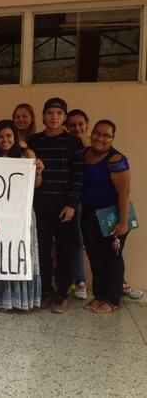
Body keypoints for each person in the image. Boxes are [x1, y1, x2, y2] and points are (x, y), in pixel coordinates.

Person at [28, 97, 84, 314]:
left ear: (64, 117)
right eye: (50, 113)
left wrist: (72, 204)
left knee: (65, 251)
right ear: (43, 115)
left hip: (65, 208)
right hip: (40, 206)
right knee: (41, 251)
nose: (54, 117)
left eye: (58, 114)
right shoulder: (34, 141)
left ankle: (62, 294)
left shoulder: (74, 143)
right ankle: (45, 293)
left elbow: (78, 176)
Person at [0, 120, 44, 311]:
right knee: (1, 253)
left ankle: (20, 298)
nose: (5, 140)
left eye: (8, 135)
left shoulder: (27, 155)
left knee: (20, 253)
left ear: (15, 137)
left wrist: (38, 171)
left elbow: (35, 185)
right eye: (0, 136)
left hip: (21, 213)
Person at [81, 120, 131, 313]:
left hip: (111, 217)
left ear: (112, 138)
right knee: (95, 257)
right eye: (97, 133)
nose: (100, 138)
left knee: (113, 258)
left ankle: (112, 299)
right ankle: (99, 295)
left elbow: (124, 194)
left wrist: (123, 222)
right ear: (91, 133)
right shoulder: (84, 154)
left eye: (106, 135)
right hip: (89, 215)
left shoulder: (116, 160)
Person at [65, 109, 91, 300]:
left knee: (101, 242)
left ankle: (119, 282)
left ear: (87, 123)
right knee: (76, 241)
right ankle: (79, 281)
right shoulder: (69, 145)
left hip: (95, 201)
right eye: (72, 125)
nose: (77, 128)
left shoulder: (95, 144)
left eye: (80, 124)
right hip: (75, 200)